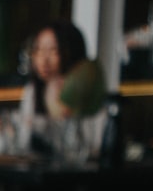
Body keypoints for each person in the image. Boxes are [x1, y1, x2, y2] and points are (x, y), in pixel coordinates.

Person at [18, 19, 105, 161]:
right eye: (38, 50)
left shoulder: (88, 90)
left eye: (53, 50)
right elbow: (23, 144)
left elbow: (94, 147)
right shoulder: (33, 91)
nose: (44, 60)